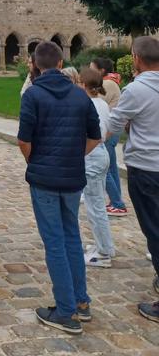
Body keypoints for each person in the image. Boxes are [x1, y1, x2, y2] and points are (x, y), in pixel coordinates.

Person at [17, 40, 102, 335]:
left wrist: (37, 160)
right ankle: (80, 301)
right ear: (60, 63)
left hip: (45, 177)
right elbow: (95, 136)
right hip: (71, 176)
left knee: (55, 241)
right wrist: (74, 155)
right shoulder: (81, 97)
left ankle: (65, 311)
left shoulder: (33, 95)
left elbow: (24, 141)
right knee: (71, 238)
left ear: (36, 64)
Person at [107, 36, 159, 323]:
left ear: (137, 59)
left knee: (154, 230)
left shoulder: (135, 90)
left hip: (146, 167)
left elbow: (115, 124)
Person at [78, 67, 114, 268]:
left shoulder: (90, 105)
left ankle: (103, 253)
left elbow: (94, 133)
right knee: (97, 203)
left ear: (84, 85)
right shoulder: (101, 103)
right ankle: (105, 246)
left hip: (92, 156)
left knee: (95, 207)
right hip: (100, 154)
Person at [91, 56, 127, 217]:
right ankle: (116, 201)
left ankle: (118, 203)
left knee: (104, 169)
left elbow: (94, 102)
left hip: (108, 131)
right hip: (111, 129)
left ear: (101, 70)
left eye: (92, 68)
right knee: (111, 168)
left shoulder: (107, 84)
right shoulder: (111, 82)